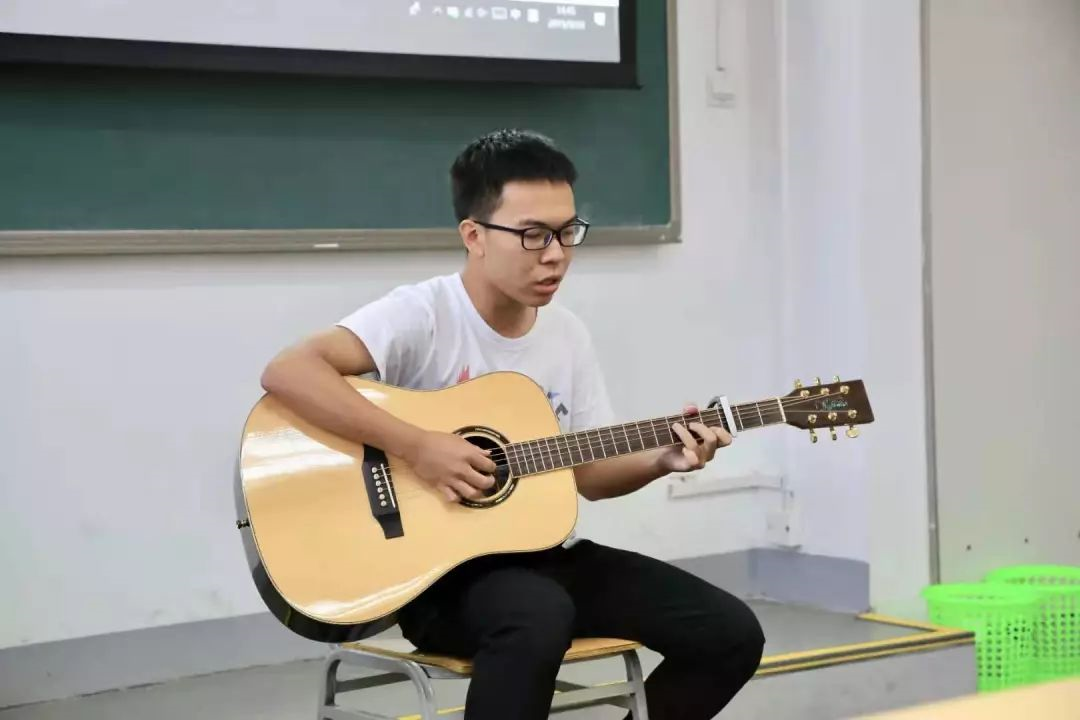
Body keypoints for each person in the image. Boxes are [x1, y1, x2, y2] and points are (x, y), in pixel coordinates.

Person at [260, 129, 765, 719]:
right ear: (474, 236)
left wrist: (662, 460)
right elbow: (288, 371)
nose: (555, 254)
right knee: (537, 617)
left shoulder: (566, 334)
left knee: (728, 633)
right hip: (439, 579)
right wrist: (417, 446)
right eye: (533, 234)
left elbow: (589, 476)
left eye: (567, 232)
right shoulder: (424, 314)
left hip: (545, 557)